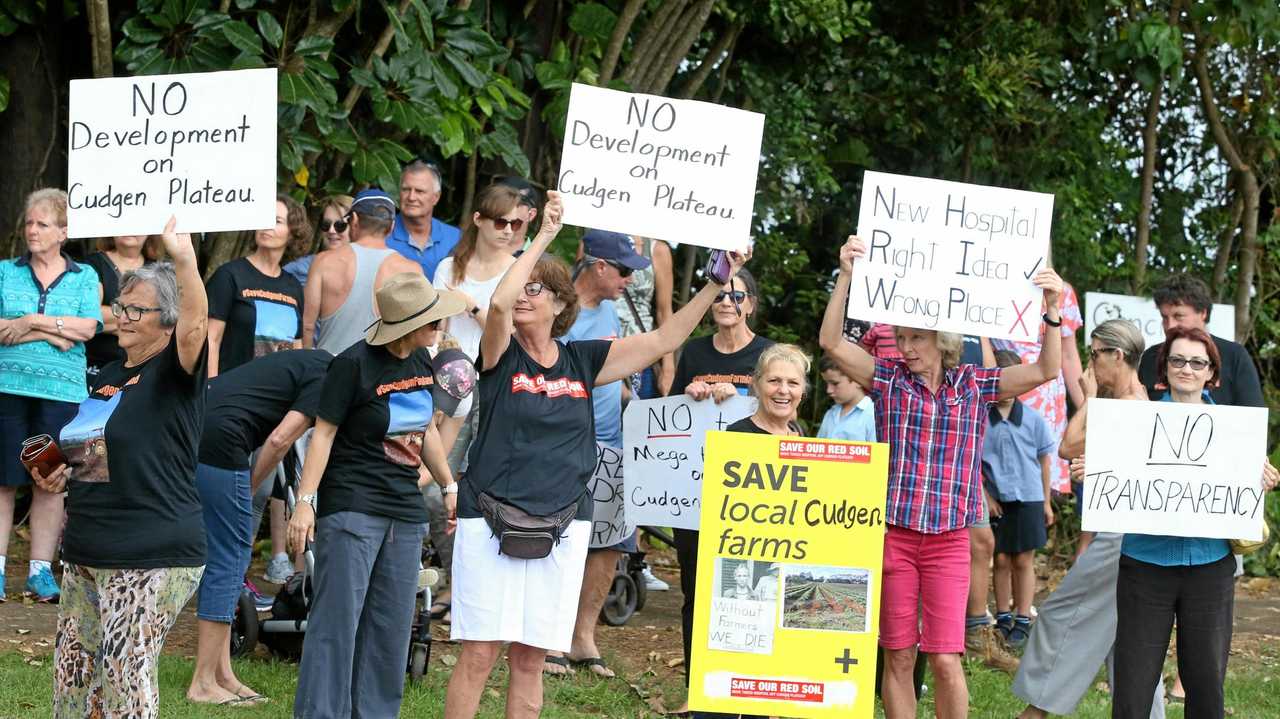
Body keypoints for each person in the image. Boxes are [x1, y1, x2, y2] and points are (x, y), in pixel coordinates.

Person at [442, 191, 749, 719]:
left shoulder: (584, 360)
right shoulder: (499, 352)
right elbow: (496, 302)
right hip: (488, 519)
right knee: (479, 653)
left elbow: (665, 337)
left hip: (563, 524)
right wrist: (542, 238)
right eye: (522, 286)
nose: (522, 296)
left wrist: (717, 281)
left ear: (560, 305)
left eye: (536, 290)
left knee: (532, 657)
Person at [819, 235, 1063, 719]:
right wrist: (846, 274)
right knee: (900, 654)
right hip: (895, 537)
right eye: (902, 337)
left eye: (917, 338)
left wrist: (1051, 309)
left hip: (950, 540)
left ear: (942, 340)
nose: (906, 347)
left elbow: (1046, 369)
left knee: (946, 658)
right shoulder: (887, 378)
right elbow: (830, 342)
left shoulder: (973, 385)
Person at [31, 218, 207, 717]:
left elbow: (196, 326)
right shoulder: (109, 375)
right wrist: (57, 472)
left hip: (151, 550)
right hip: (88, 548)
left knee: (124, 675)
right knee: (72, 677)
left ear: (166, 322)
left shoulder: (176, 371)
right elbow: (95, 453)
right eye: (121, 306)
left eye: (137, 309)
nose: (123, 316)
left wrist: (185, 258)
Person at [289, 273, 465, 718]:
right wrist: (306, 503)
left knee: (390, 626)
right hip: (353, 506)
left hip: (404, 510)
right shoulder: (352, 365)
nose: (440, 327)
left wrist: (448, 484)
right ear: (408, 324)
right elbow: (323, 435)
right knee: (337, 625)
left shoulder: (423, 361)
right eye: (432, 320)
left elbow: (425, 430)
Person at [1113, 325, 1278, 719]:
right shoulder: (1135, 422)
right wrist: (1096, 467)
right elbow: (1114, 475)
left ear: (1212, 374)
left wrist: (1263, 480)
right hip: (1145, 564)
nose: (1187, 368)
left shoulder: (1237, 430)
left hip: (1210, 567)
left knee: (1205, 686)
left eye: (1197, 362)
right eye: (1177, 360)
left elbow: (1243, 488)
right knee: (1134, 685)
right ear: (1163, 368)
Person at [1012, 319, 1165, 719]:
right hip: (1126, 534)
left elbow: (1068, 445)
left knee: (1063, 613)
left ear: (1117, 355)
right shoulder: (1138, 401)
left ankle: (1036, 711)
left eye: (1094, 353)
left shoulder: (1128, 406)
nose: (1088, 363)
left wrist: (1089, 395)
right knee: (1128, 635)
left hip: (1121, 536)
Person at [185, 348, 331, 706]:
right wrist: (249, 488)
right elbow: (280, 440)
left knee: (221, 556)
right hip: (222, 440)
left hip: (193, 424)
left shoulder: (314, 360)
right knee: (230, 557)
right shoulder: (333, 376)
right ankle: (203, 682)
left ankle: (222, 674)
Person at [543, 229, 652, 679]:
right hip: (564, 444)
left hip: (613, 443)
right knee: (558, 541)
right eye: (624, 270)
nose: (630, 279)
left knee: (610, 542)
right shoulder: (557, 311)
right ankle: (548, 637)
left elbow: (612, 370)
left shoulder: (612, 308)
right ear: (600, 267)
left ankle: (582, 637)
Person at [668, 267, 773, 714]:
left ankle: (748, 690)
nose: (726, 302)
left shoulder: (769, 355)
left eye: (737, 295)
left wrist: (746, 397)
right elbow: (668, 412)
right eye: (719, 296)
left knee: (748, 593)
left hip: (754, 500)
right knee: (697, 593)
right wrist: (690, 392)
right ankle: (702, 692)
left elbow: (787, 412)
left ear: (750, 303)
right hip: (697, 492)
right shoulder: (692, 351)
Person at [694, 343, 812, 719]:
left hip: (787, 576)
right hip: (741, 579)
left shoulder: (806, 440)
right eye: (774, 380)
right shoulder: (736, 437)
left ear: (803, 391)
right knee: (730, 686)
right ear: (757, 385)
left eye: (792, 383)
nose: (783, 390)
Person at [0, 188, 101, 603]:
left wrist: (29, 322)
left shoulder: (85, 277)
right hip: (8, 391)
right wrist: (57, 330)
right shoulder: (6, 271)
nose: (32, 231)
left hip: (59, 396)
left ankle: (40, 573)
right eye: (29, 223)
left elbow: (89, 329)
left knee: (49, 481)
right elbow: (69, 330)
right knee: (4, 482)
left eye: (42, 224)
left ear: (64, 230)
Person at [982, 349, 1056, 650]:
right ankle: (1002, 617)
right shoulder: (979, 420)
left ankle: (1023, 618)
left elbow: (1045, 461)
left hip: (1029, 498)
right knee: (999, 558)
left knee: (1024, 559)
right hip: (997, 499)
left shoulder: (1034, 421)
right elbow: (971, 462)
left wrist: (1047, 502)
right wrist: (986, 496)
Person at [303, 189, 422, 353]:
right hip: (381, 374)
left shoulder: (323, 262)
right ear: (392, 226)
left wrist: (309, 365)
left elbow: (308, 325)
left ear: (355, 220)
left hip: (329, 370)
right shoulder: (410, 269)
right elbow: (416, 331)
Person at [206, 193, 309, 376]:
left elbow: (296, 347)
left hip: (278, 394)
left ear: (293, 233)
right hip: (231, 391)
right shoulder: (229, 275)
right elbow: (210, 340)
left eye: (277, 220)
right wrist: (211, 389)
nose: (267, 225)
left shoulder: (293, 287)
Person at [82, 234, 161, 381]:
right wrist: (142, 319)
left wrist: (108, 321)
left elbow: (165, 320)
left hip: (143, 369)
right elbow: (90, 315)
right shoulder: (92, 264)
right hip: (94, 368)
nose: (130, 230)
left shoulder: (157, 271)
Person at [388, 160, 462, 279]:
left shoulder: (455, 238)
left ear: (436, 197)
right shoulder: (381, 234)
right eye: (406, 189)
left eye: (419, 191)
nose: (411, 197)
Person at [284, 194, 353, 286]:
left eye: (340, 225)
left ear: (355, 226)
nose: (331, 230)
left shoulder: (371, 269)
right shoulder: (302, 268)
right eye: (326, 224)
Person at [816, 355, 875, 442]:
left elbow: (878, 454)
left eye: (835, 383)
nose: (828, 390)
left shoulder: (872, 415)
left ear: (858, 380)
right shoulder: (830, 414)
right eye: (827, 383)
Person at [489, 175, 542, 252]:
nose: (504, 208)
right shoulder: (471, 252)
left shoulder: (541, 261)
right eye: (499, 201)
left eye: (516, 203)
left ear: (531, 215)